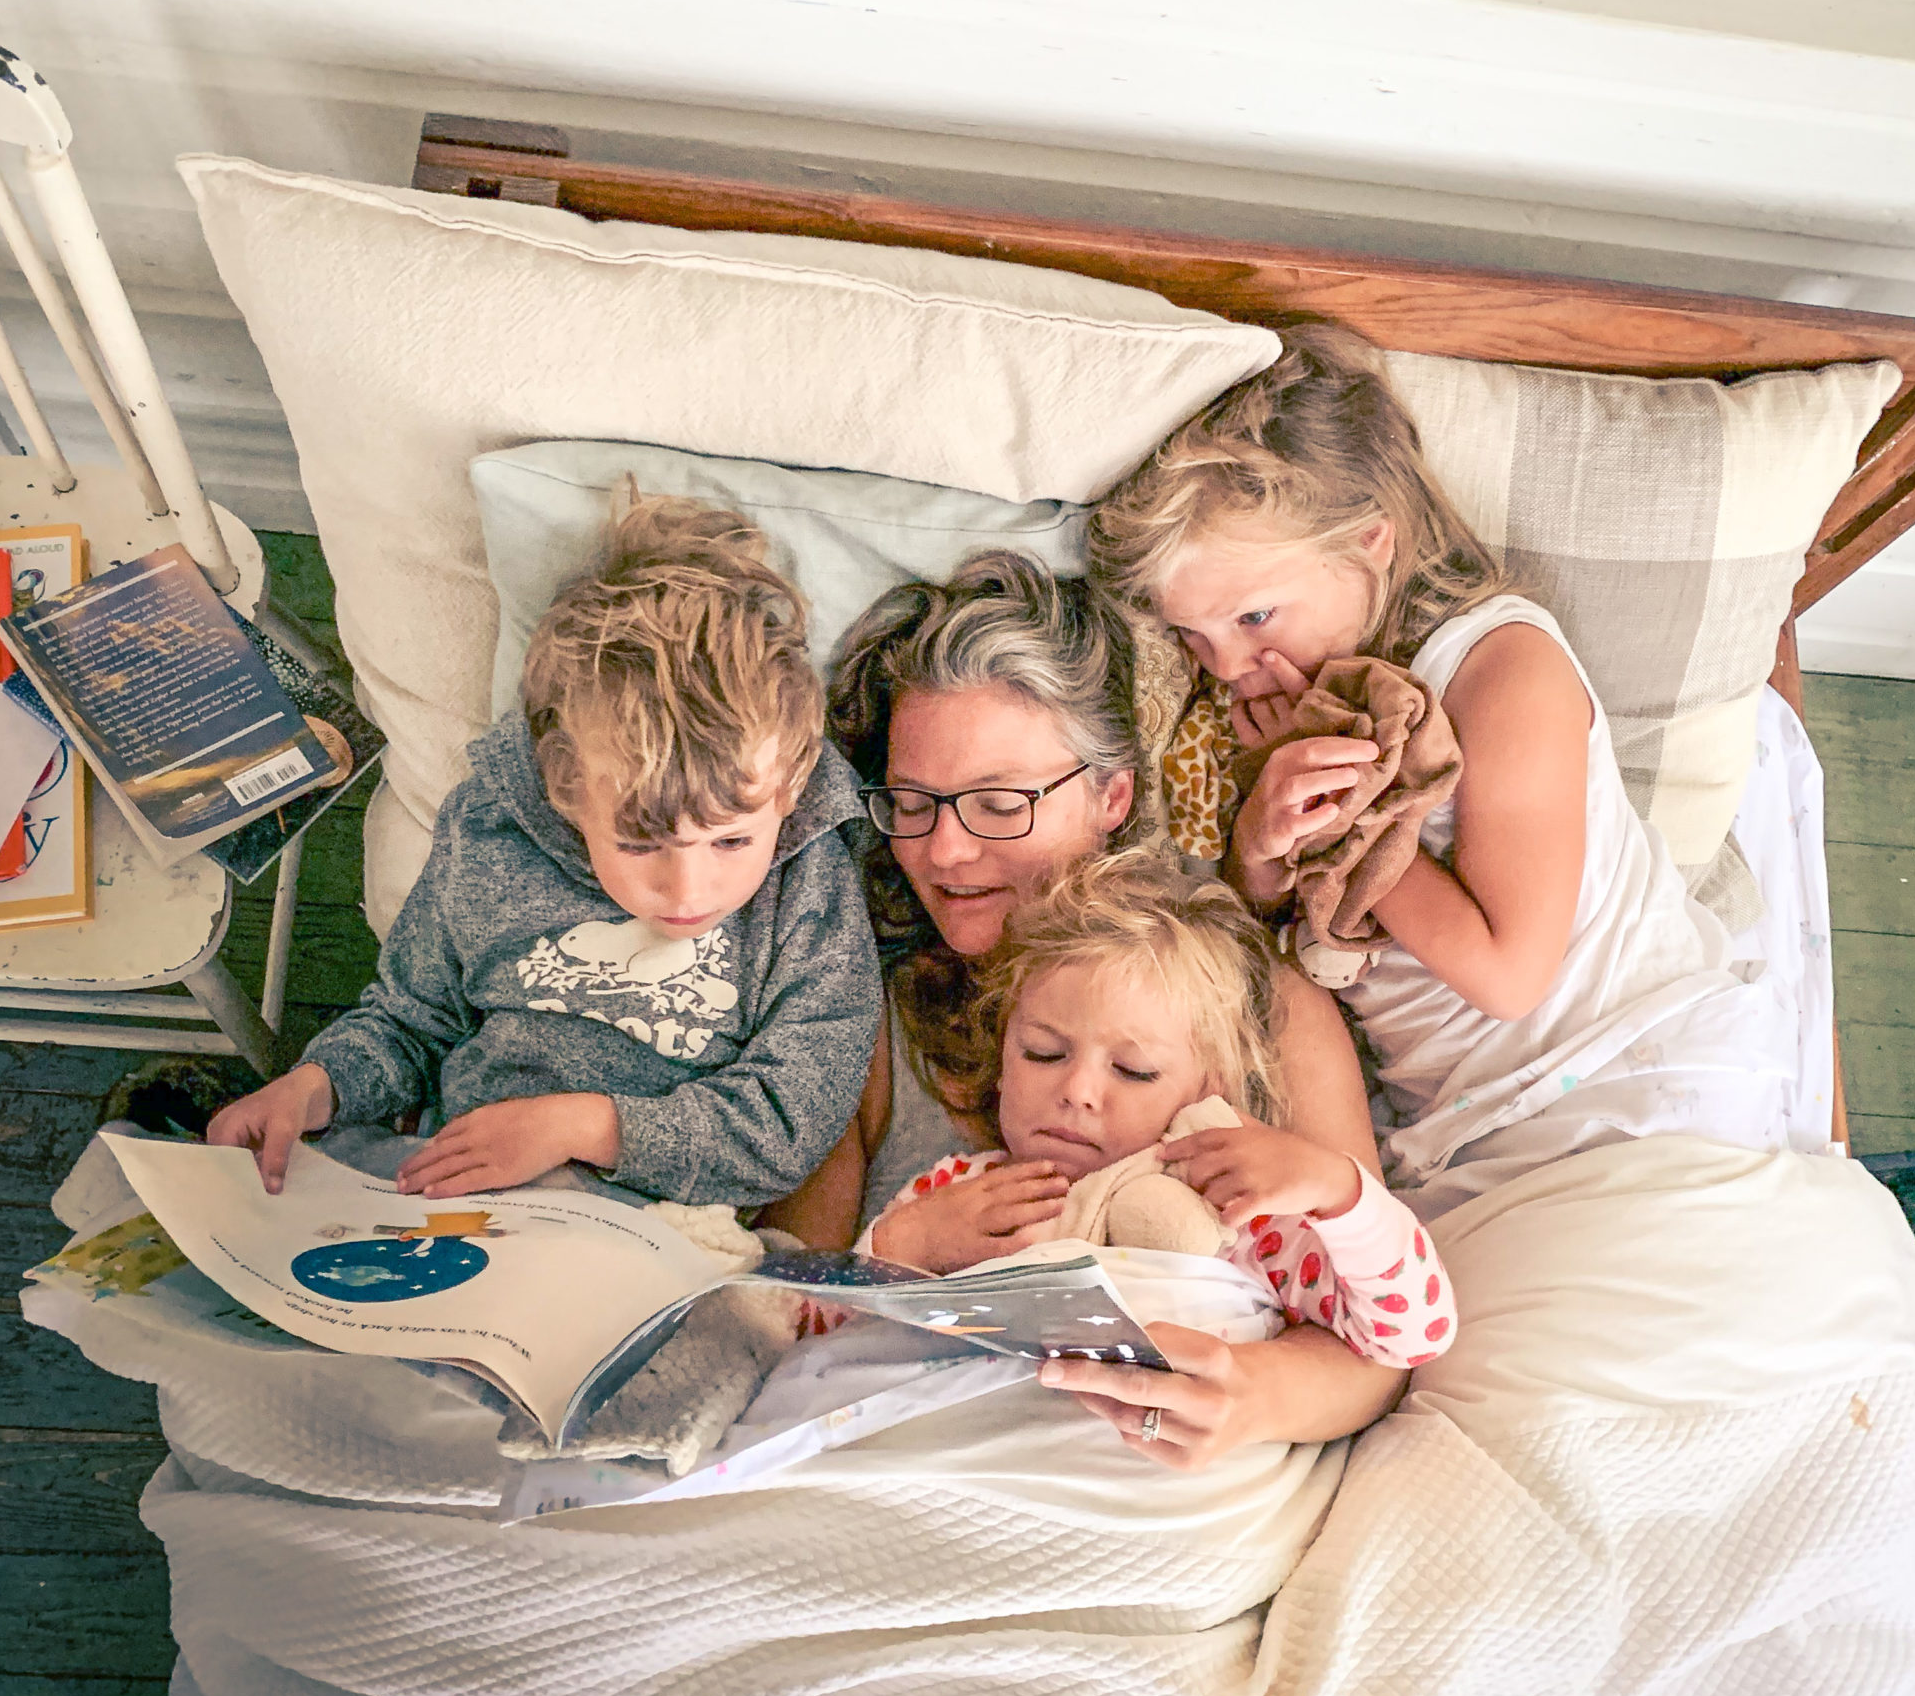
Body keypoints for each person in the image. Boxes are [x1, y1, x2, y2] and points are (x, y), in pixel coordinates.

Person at [1086, 325, 1796, 1220]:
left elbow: (1509, 977)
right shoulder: (1291, 696)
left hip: (1620, 1072)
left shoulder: (1501, 673)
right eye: (1195, 637)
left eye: (1254, 615)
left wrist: (1352, 822)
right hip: (1455, 1119)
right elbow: (1272, 932)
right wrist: (1259, 837)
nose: (1226, 665)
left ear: (1372, 542)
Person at [762, 550, 1406, 1467]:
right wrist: (900, 1248)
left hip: (1148, 1479)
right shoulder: (872, 1016)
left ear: (1113, 795)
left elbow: (1375, 1348)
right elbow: (779, 1310)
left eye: (997, 803)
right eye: (911, 805)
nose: (943, 853)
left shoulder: (1259, 1006)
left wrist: (1251, 1392)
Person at [207, 496, 881, 1206]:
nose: (688, 892)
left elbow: (791, 1119)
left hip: (653, 1232)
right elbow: (411, 1021)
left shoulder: (809, 884)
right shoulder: (492, 832)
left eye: (732, 840)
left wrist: (585, 1128)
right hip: (441, 1191)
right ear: (566, 786)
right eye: (639, 842)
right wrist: (314, 1088)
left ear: (793, 785)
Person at [863, 850, 1455, 1392]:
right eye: (1042, 1053)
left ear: (1206, 1090)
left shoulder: (1241, 1215)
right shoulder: (954, 1192)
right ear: (1000, 1063)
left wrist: (1342, 1192)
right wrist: (898, 1243)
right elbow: (813, 1333)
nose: (1078, 1092)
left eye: (1134, 1070)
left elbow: (1410, 1335)